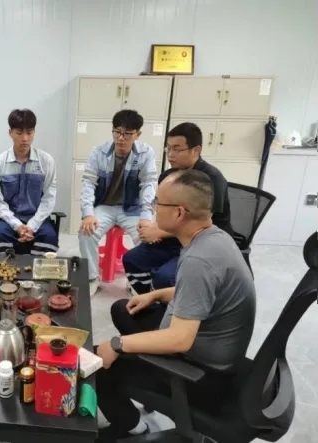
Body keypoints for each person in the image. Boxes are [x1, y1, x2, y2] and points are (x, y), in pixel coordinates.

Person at [95, 169, 256, 441]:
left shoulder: (198, 261)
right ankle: (135, 371)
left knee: (99, 366)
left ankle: (131, 426)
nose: (153, 208)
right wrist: (156, 295)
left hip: (199, 372)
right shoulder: (214, 237)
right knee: (123, 309)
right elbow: (204, 292)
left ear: (179, 213)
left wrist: (117, 345)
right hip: (209, 345)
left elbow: (180, 339)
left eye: (158, 203)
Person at [123, 122, 234, 295]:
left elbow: (203, 224)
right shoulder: (169, 176)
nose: (170, 154)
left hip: (202, 242)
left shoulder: (212, 179)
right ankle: (150, 299)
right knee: (132, 259)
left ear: (196, 151)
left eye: (177, 149)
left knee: (165, 277)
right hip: (175, 240)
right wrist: (152, 227)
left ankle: (168, 303)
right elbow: (165, 209)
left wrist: (160, 232)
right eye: (168, 148)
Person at [78, 109, 158, 295]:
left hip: (132, 208)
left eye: (128, 133)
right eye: (117, 132)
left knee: (147, 237)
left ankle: (137, 279)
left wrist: (146, 216)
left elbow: (148, 184)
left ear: (138, 134)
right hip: (105, 206)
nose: (121, 138)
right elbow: (88, 183)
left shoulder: (146, 153)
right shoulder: (98, 152)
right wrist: (88, 213)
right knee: (86, 233)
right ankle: (92, 277)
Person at [0, 109, 58, 255]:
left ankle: (37, 271)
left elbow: (48, 199)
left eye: (29, 133)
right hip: (6, 219)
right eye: (19, 133)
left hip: (37, 217)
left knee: (49, 237)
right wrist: (17, 225)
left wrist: (32, 225)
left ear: (34, 132)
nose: (25, 138)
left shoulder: (46, 162)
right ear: (10, 133)